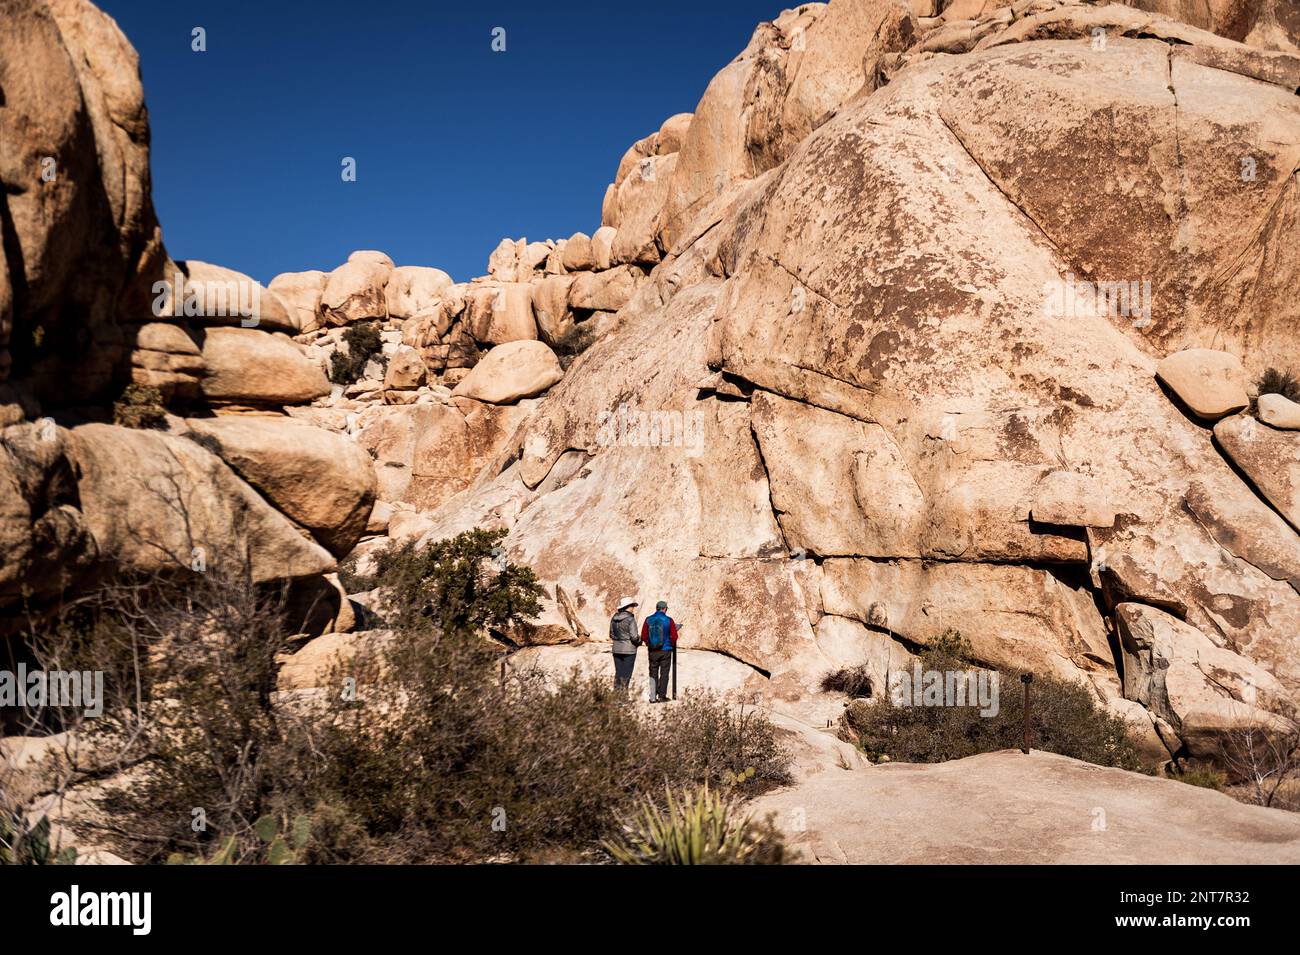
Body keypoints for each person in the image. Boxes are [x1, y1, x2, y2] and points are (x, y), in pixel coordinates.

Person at [641, 600, 679, 703]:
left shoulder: (648, 619)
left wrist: (649, 644)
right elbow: (674, 636)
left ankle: (653, 696)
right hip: (665, 650)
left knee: (653, 673)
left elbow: (644, 635)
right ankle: (662, 696)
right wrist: (670, 645)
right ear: (665, 609)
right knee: (664, 673)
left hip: (652, 651)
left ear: (656, 608)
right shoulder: (669, 620)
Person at [609, 597, 640, 689]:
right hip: (629, 650)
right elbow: (634, 637)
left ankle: (616, 696)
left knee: (618, 673)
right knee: (626, 675)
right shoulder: (630, 619)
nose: (633, 608)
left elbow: (611, 634)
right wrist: (639, 641)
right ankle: (623, 699)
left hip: (616, 649)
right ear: (628, 607)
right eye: (632, 606)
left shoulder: (614, 618)